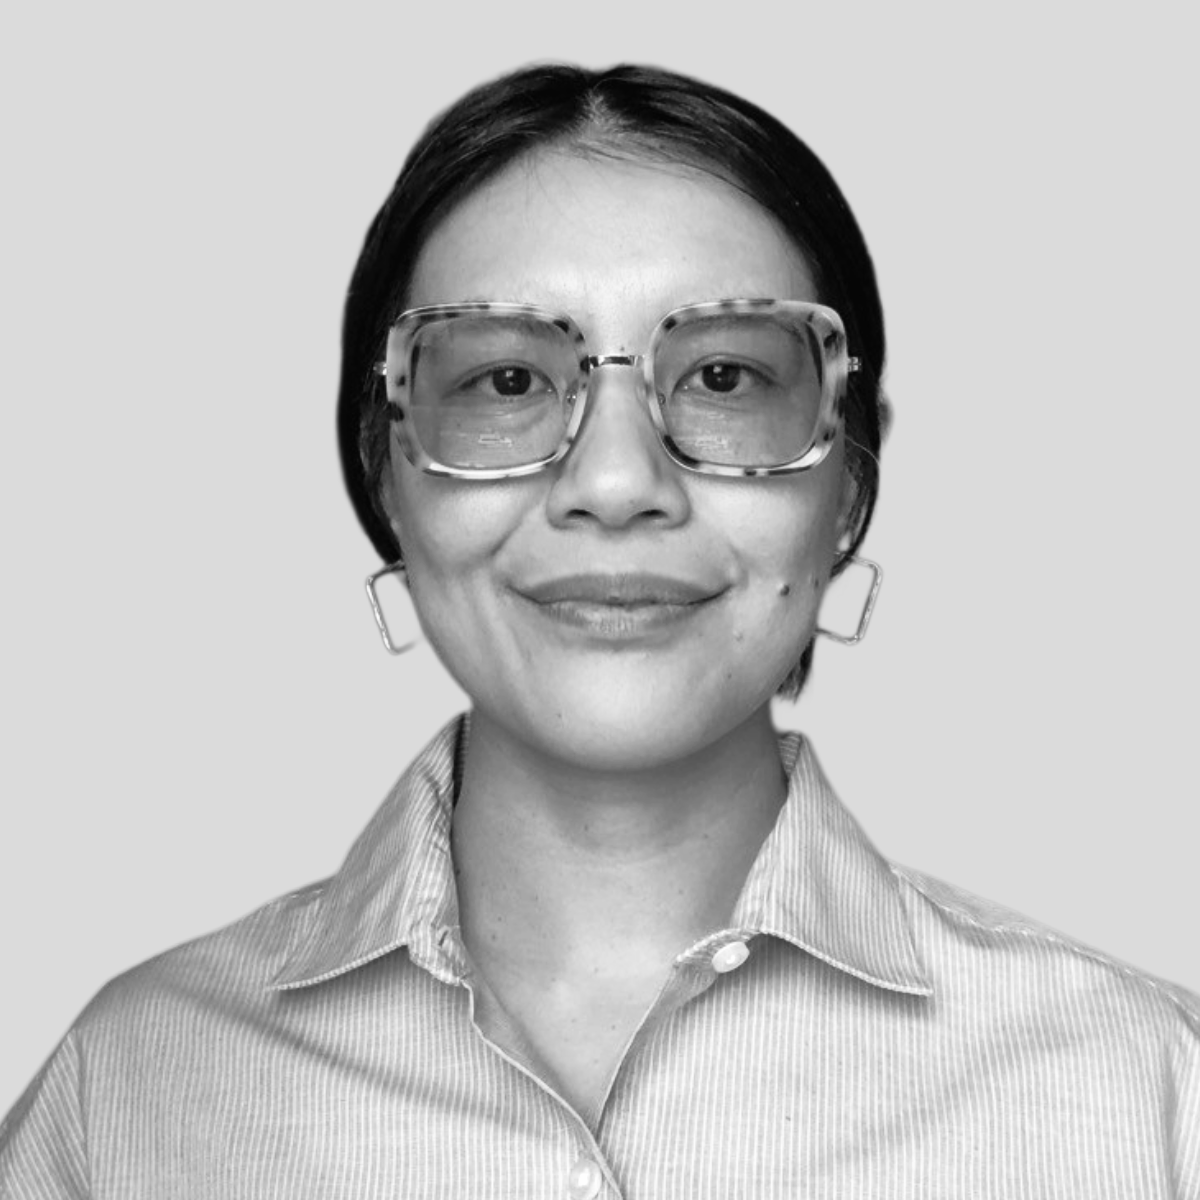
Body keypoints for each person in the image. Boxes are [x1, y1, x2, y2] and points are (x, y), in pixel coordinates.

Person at [2, 61, 1197, 1198]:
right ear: (384, 474)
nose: (617, 483)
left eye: (725, 377)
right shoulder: (132, 1095)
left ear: (853, 479)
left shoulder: (1147, 1093)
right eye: (507, 383)